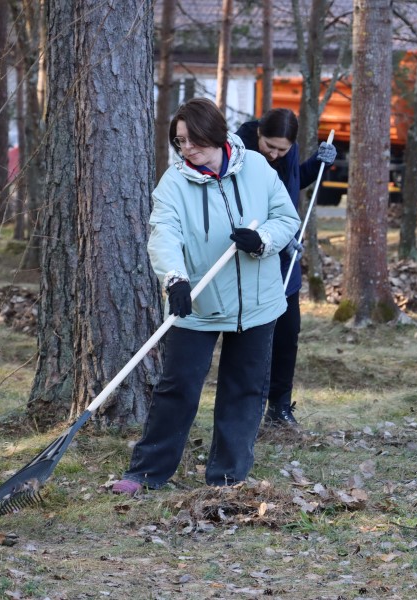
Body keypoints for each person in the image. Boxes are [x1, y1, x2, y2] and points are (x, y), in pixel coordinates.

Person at [111, 98, 301, 496]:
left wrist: (262, 240)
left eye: (193, 139)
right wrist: (175, 279)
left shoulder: (257, 168)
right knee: (177, 387)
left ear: (214, 134)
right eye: (180, 141)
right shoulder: (174, 184)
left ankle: (228, 476)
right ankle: (147, 472)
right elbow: (164, 234)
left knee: (244, 389)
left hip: (258, 303)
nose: (187, 148)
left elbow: (286, 219)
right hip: (198, 301)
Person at [235, 109, 337, 428]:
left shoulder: (286, 153)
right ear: (259, 134)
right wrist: (277, 236)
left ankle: (279, 408)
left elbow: (293, 185)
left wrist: (318, 163)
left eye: (283, 149)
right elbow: (242, 208)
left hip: (286, 262)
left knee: (287, 334)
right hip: (254, 260)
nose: (275, 154)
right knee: (253, 339)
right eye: (270, 146)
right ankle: (244, 409)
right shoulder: (239, 151)